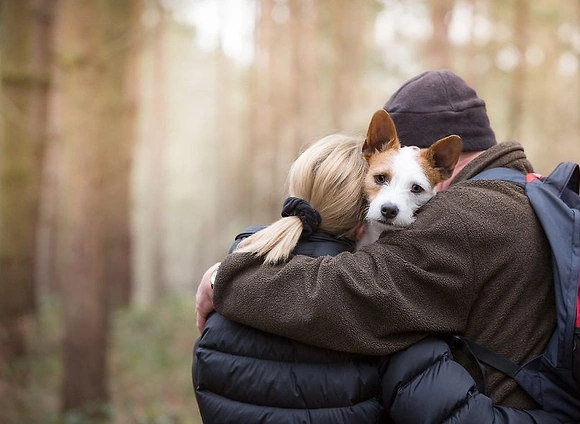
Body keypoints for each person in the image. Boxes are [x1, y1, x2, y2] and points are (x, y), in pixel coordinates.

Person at [196, 70, 558, 412]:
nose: (393, 199)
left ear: (438, 161)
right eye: (382, 177)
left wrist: (224, 277)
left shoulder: (464, 214)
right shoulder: (528, 191)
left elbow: (351, 294)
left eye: (414, 185)